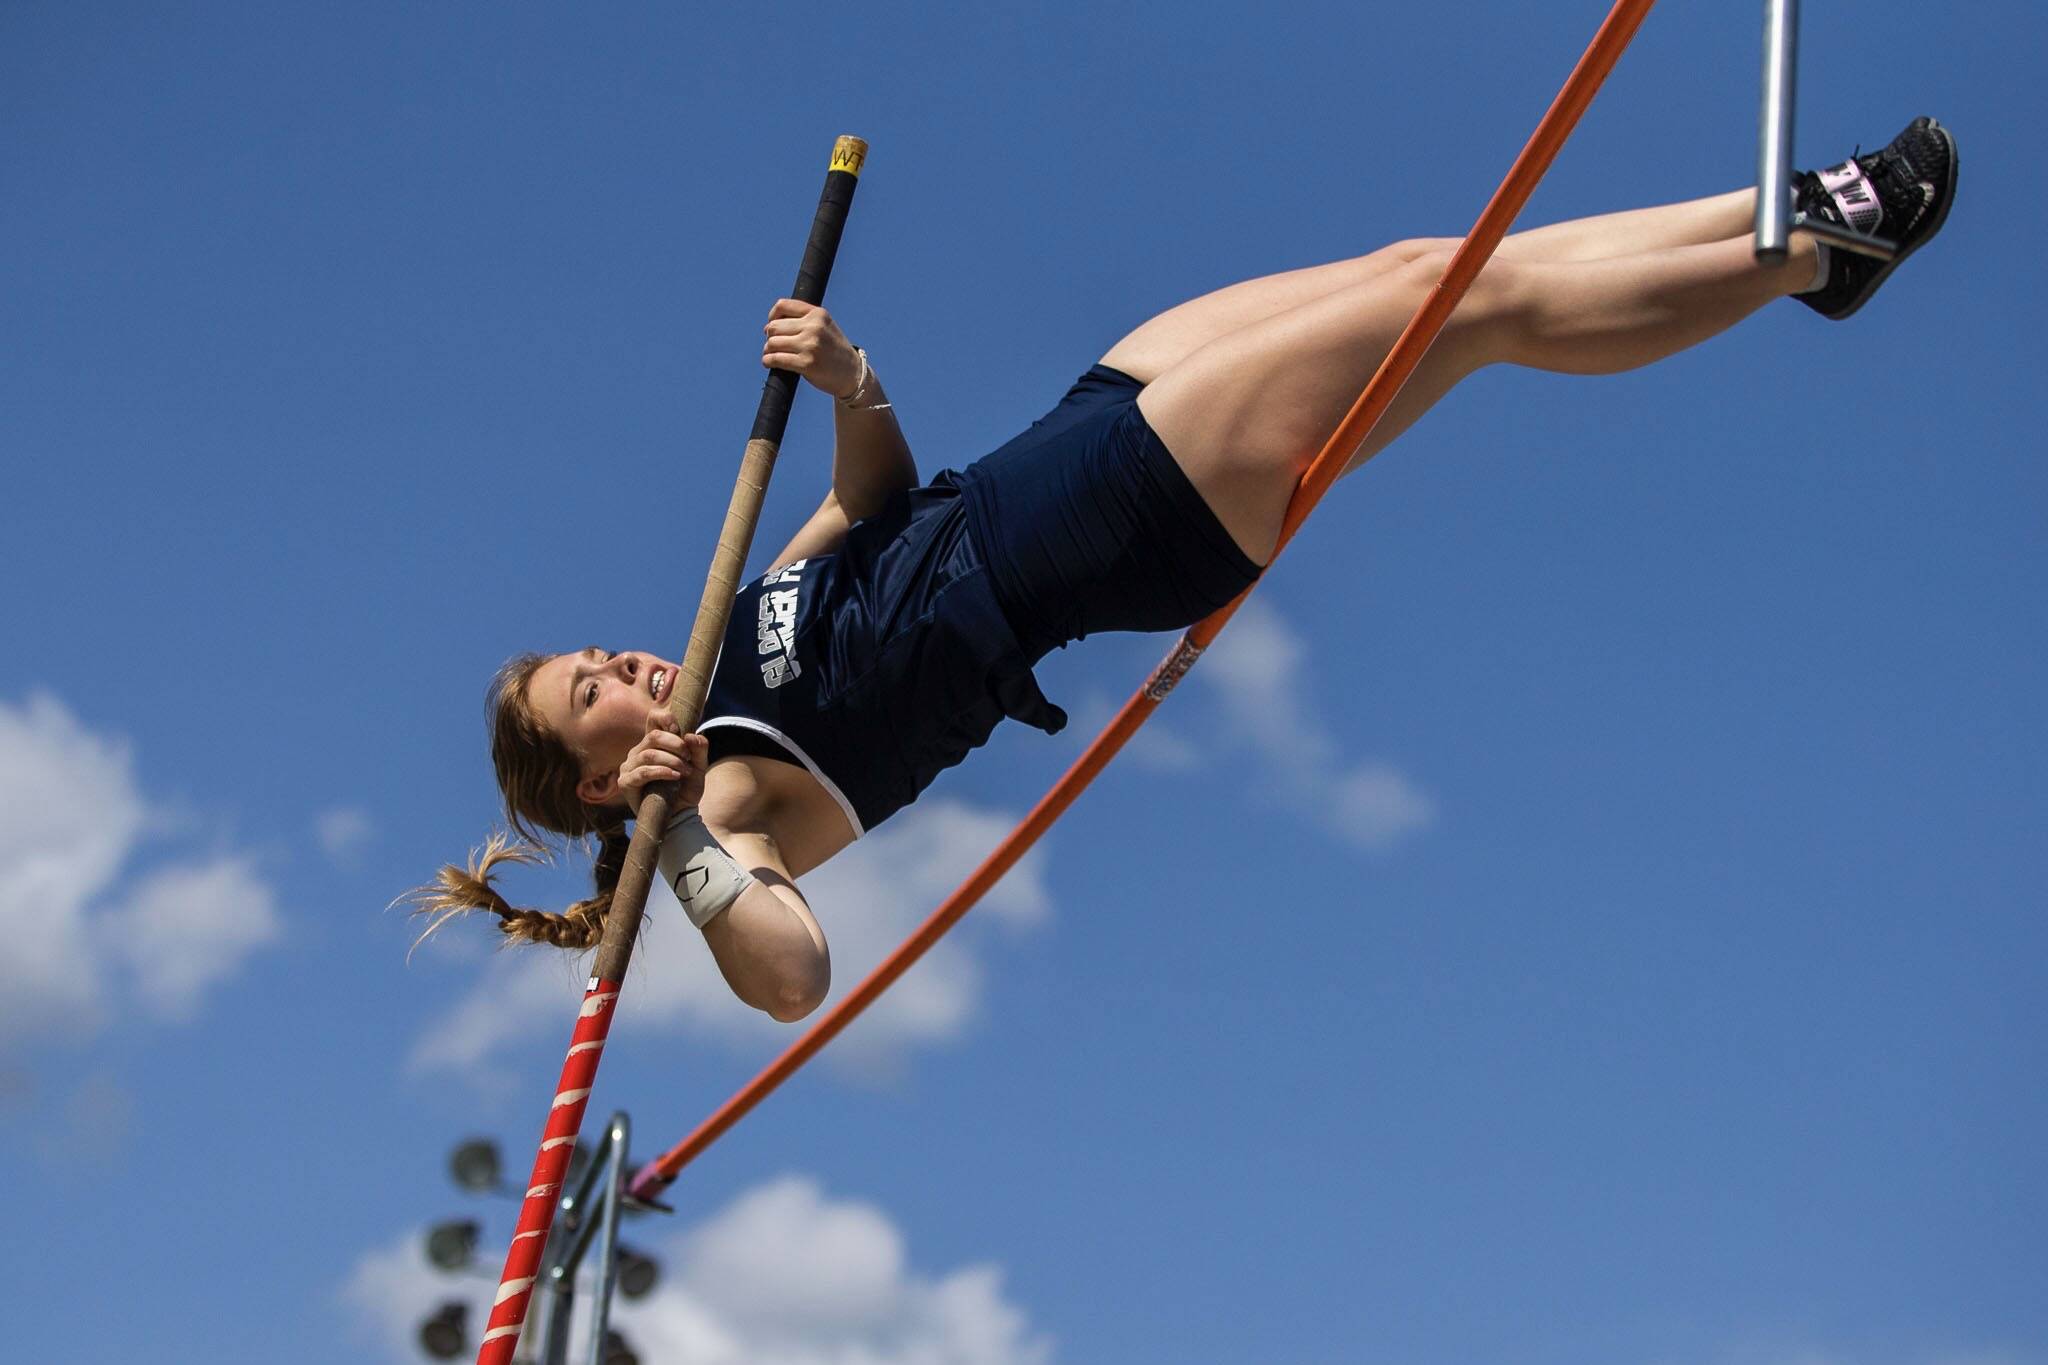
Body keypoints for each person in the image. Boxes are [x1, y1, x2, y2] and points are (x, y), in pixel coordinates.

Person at [415, 119, 1958, 1023]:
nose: (620, 663)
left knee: (1421, 262)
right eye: (591, 694)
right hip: (1104, 538)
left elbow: (867, 502)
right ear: (599, 778)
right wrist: (680, 827)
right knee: (1454, 307)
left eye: (596, 654)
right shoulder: (730, 806)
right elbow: (790, 978)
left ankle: (1794, 212)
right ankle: (1816, 255)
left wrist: (853, 383)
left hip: (1056, 442)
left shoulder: (726, 621)